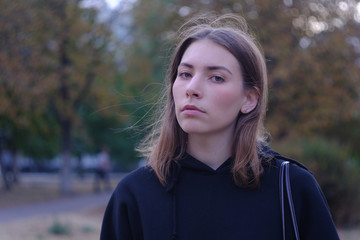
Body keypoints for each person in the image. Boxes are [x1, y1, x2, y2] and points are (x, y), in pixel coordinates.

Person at [100, 14, 339, 240]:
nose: (191, 88)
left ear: (249, 99)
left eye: (216, 77)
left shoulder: (291, 188)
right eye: (185, 74)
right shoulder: (135, 194)